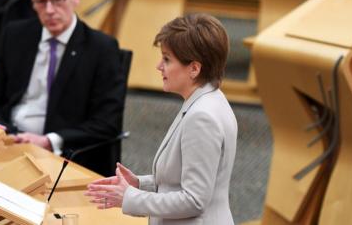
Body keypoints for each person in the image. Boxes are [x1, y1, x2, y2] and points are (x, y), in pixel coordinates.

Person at [0, 0, 126, 176]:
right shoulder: (15, 35)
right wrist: (2, 129)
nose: (50, 10)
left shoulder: (101, 49)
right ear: (32, 2)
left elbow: (107, 123)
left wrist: (49, 141)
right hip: (8, 142)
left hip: (61, 156)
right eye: (41, 2)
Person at [85, 13, 238, 224]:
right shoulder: (208, 99)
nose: (159, 66)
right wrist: (139, 184)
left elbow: (194, 200)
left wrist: (129, 197)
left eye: (167, 59)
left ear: (194, 68)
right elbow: (181, 181)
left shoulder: (202, 117)